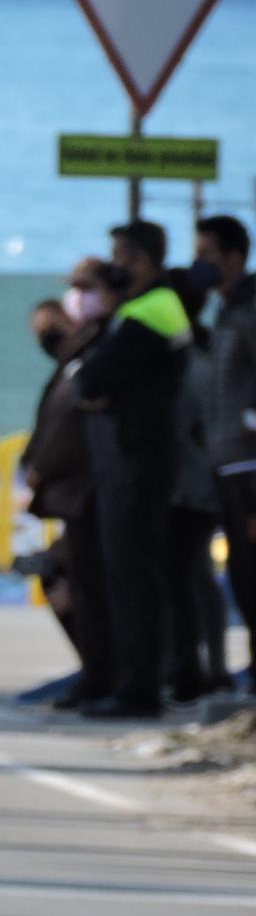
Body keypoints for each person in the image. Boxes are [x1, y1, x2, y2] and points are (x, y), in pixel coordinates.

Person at [73, 221, 193, 718]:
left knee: (133, 575)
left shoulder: (153, 309)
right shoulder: (144, 309)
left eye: (119, 256)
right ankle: (131, 679)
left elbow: (94, 378)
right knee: (125, 574)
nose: (113, 266)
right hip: (129, 457)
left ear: (141, 260)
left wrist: (95, 387)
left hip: (135, 459)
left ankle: (140, 687)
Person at [19, 278, 108, 704]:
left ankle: (103, 672)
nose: (47, 337)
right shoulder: (68, 367)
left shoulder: (86, 360)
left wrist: (41, 468)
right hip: (71, 499)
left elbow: (69, 431)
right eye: (39, 332)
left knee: (76, 582)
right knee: (61, 579)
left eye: (51, 326)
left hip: (86, 495)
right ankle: (95, 668)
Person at [195, 214, 256, 687]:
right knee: (240, 570)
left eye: (208, 254)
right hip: (225, 460)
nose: (200, 263)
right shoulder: (226, 309)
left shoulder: (250, 309)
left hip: (248, 464)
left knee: (252, 571)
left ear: (234, 256)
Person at [163, 269, 229, 702]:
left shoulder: (189, 361)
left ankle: (193, 669)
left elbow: (192, 427)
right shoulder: (202, 347)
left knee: (184, 576)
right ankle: (205, 666)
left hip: (192, 486)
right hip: (198, 483)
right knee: (196, 575)